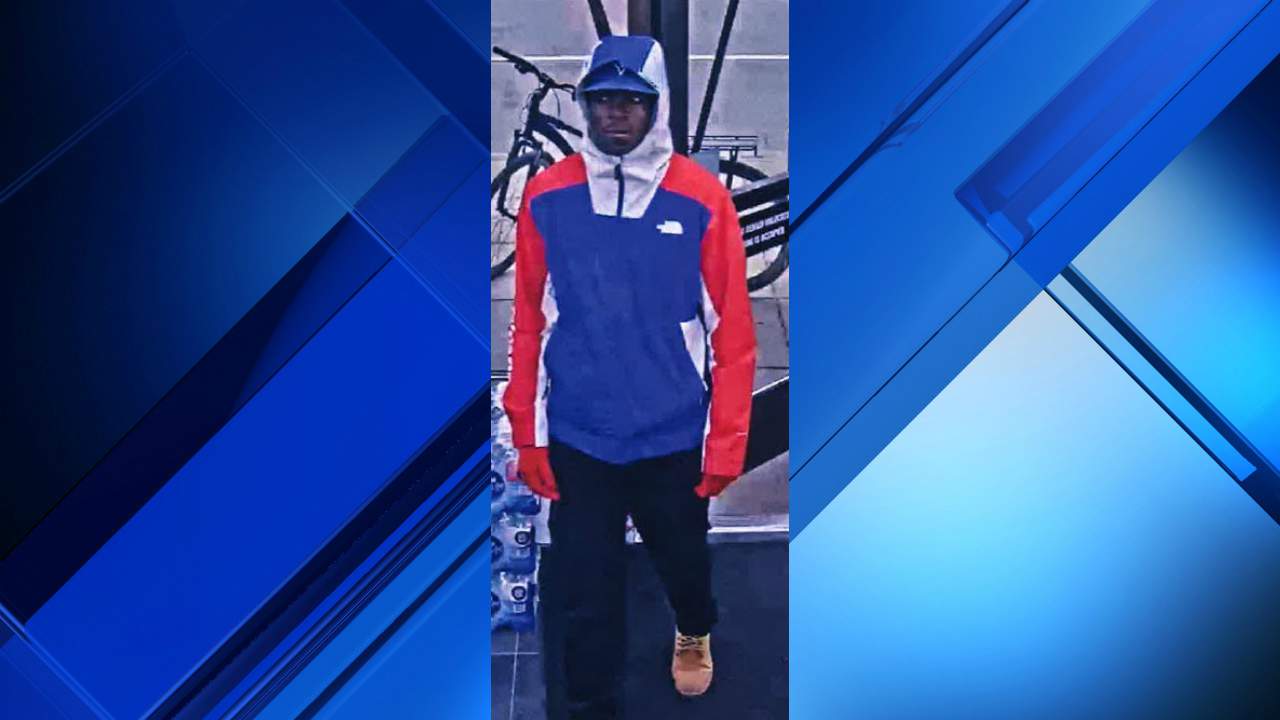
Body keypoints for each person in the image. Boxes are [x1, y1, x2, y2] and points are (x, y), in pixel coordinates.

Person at [503, 34, 756, 718]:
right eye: (602, 99)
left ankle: (694, 627)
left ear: (657, 107)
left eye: (631, 101)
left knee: (684, 561)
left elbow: (733, 333)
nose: (615, 112)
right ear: (585, 105)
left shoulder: (701, 199)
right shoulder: (547, 197)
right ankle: (594, 701)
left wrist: (726, 442)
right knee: (586, 589)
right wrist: (527, 433)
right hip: (581, 435)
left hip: (671, 435)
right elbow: (529, 321)